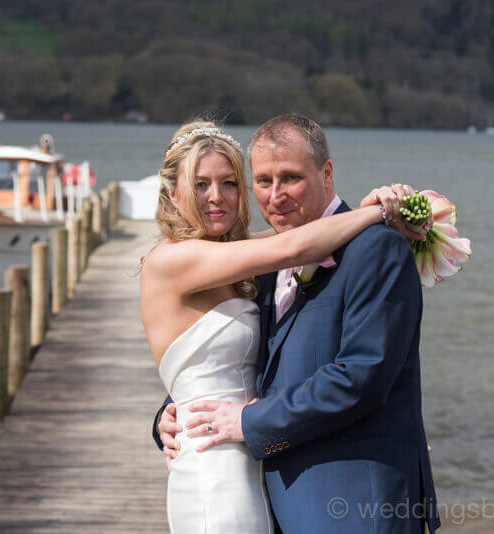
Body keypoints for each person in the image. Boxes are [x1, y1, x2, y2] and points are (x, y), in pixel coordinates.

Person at [152, 114, 441, 533]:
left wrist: (248, 422)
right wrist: (171, 414)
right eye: (264, 181)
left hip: (358, 511)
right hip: (272, 507)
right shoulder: (264, 264)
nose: (276, 195)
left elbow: (360, 378)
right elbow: (231, 354)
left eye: (290, 178)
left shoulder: (377, 249)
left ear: (326, 173)